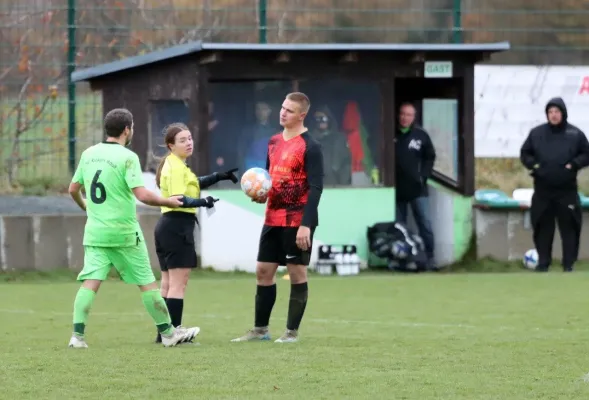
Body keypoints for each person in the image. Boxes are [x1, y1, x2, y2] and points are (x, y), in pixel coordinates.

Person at [67, 108, 202, 348]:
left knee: (90, 283)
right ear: (127, 130)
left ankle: (77, 337)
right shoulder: (127, 157)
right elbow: (142, 195)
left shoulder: (89, 154)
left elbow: (73, 189)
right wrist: (167, 200)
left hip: (96, 232)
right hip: (125, 233)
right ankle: (169, 334)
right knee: (147, 284)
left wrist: (85, 206)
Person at [231, 92, 324, 344]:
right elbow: (268, 178)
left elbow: (316, 188)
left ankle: (291, 333)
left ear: (301, 115)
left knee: (296, 273)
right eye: (282, 108)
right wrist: (262, 194)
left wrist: (306, 224)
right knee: (263, 271)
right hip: (273, 217)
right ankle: (260, 330)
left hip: (297, 220)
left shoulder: (310, 146)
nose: (283, 113)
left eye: (290, 110)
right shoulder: (273, 141)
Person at [153, 122, 238, 344]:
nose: (188, 142)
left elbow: (194, 183)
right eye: (182, 140)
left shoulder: (176, 164)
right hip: (177, 227)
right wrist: (203, 201)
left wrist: (219, 176)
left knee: (167, 283)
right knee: (178, 284)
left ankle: (163, 333)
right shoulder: (176, 166)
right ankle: (173, 333)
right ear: (171, 145)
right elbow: (179, 199)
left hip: (166, 226)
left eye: (190, 138)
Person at [520, 97, 589, 272]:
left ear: (563, 113)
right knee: (542, 227)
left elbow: (586, 154)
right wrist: (534, 165)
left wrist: (573, 164)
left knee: (569, 227)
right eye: (550, 112)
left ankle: (568, 264)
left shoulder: (575, 134)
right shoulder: (537, 133)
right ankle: (543, 263)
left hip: (566, 190)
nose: (553, 115)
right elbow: (525, 153)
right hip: (543, 190)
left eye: (557, 112)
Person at [394, 102, 437, 271]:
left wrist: (423, 176)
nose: (405, 118)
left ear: (414, 117)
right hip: (397, 189)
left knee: (425, 224)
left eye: (409, 115)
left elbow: (430, 157)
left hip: (418, 189)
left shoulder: (421, 136)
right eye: (403, 114)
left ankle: (430, 259)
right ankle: (403, 260)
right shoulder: (391, 134)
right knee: (400, 227)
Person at [310, 106, 352, 186]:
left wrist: (344, 186)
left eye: (324, 118)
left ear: (329, 119)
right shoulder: (310, 140)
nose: (321, 121)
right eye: (318, 119)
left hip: (335, 185)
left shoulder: (339, 138)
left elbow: (346, 164)